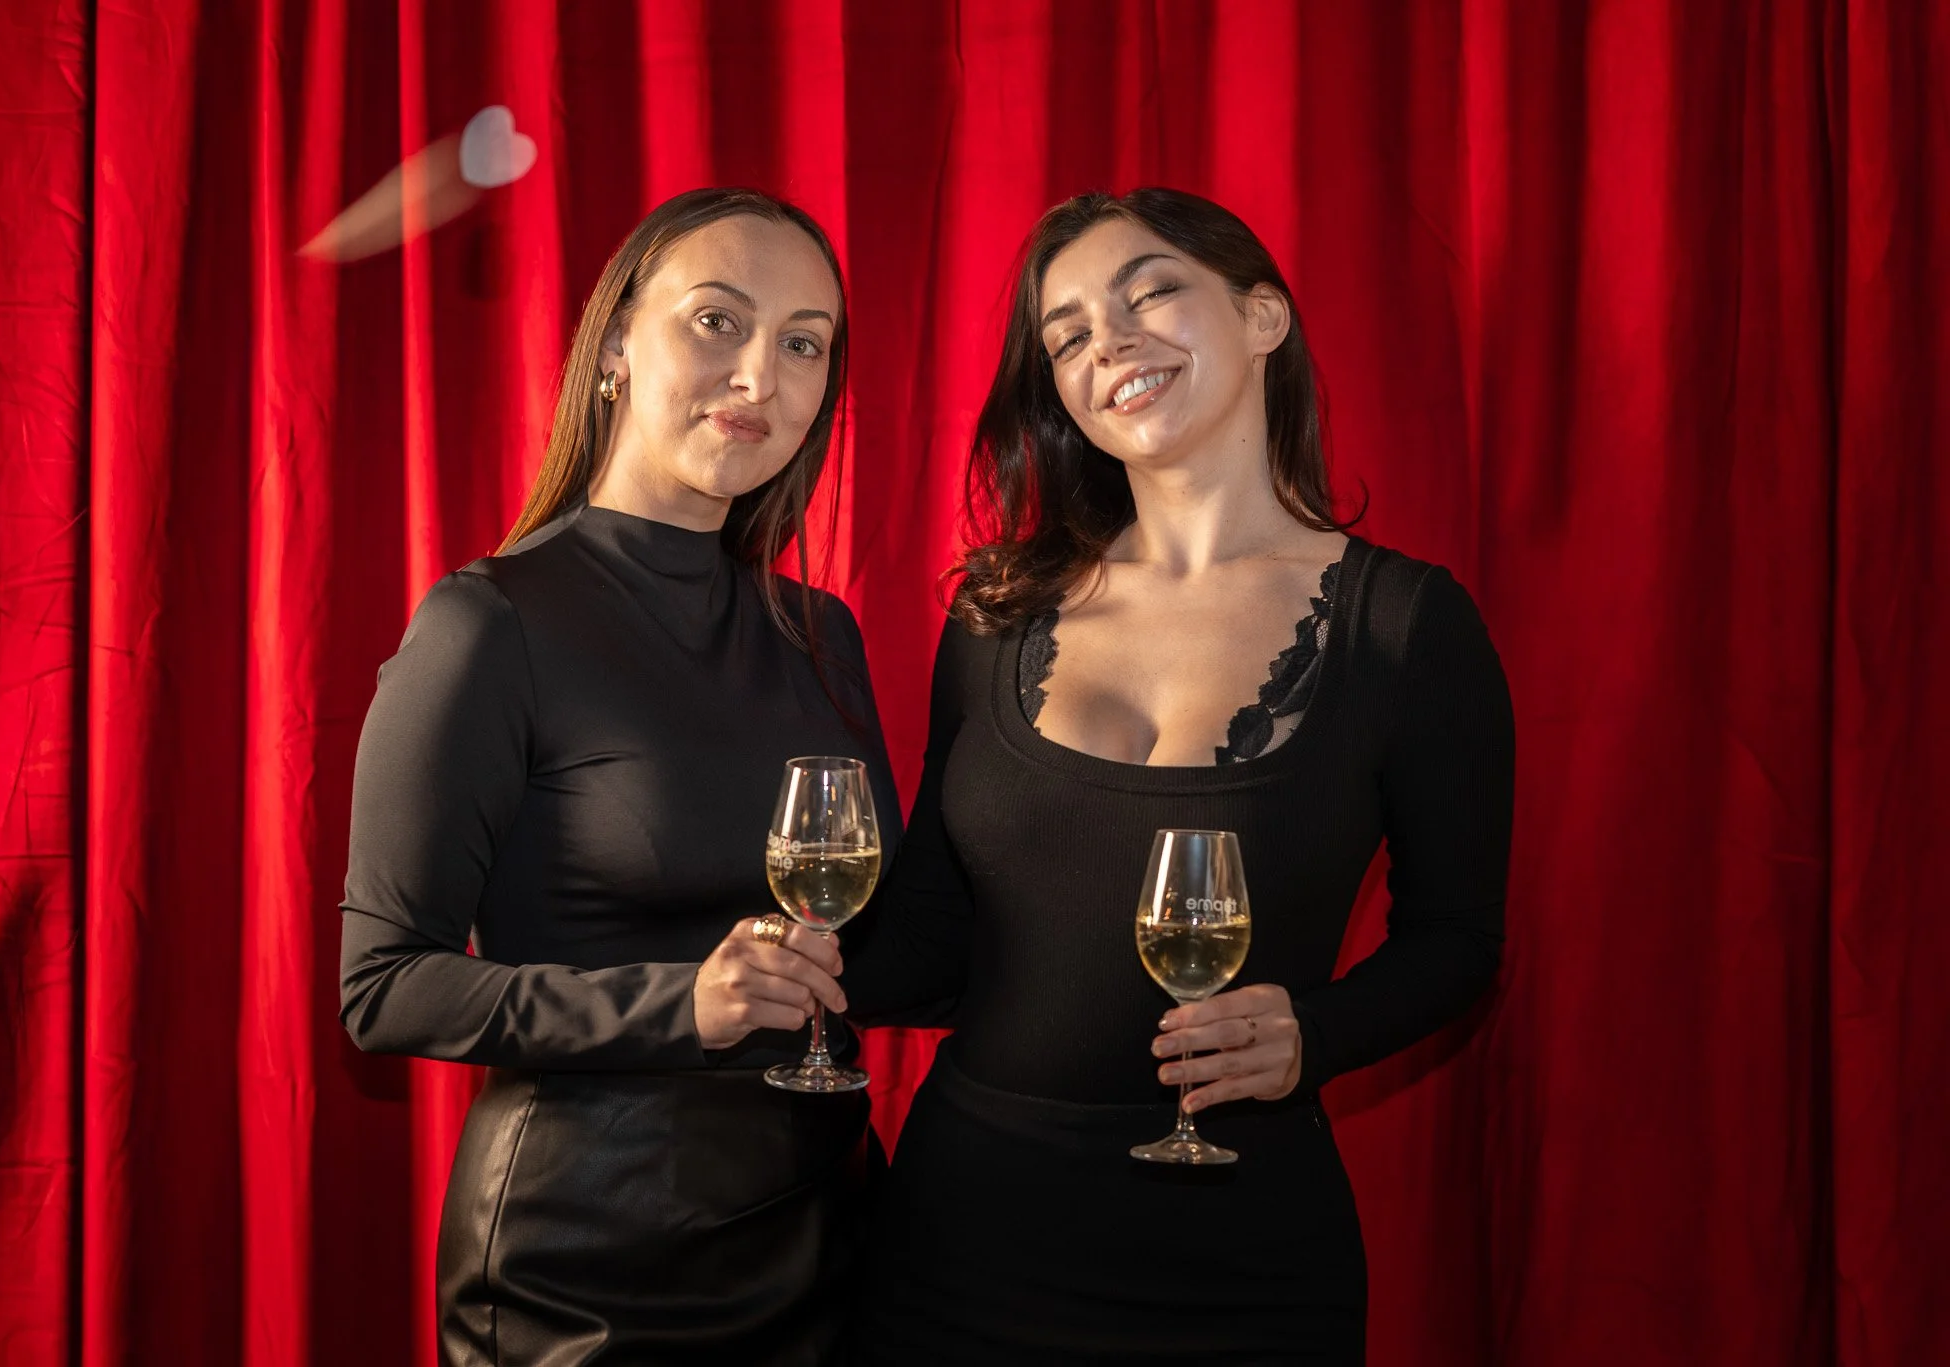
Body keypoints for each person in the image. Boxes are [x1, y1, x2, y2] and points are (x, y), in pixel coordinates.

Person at [844, 188, 1515, 1364]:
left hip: (1242, 1253)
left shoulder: (1404, 624)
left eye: (1148, 292)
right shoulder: (993, 615)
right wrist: (758, 953)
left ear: (1262, 318)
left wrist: (1313, 1033)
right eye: (1064, 336)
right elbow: (932, 942)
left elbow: (1456, 939)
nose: (1105, 342)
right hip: (964, 1236)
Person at [338, 187, 900, 1366]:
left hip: (833, 1241)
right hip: (592, 1268)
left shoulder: (821, 634)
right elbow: (383, 987)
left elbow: (886, 947)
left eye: (803, 343)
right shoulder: (489, 622)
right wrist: (680, 1003)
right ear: (613, 349)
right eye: (717, 321)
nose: (759, 374)